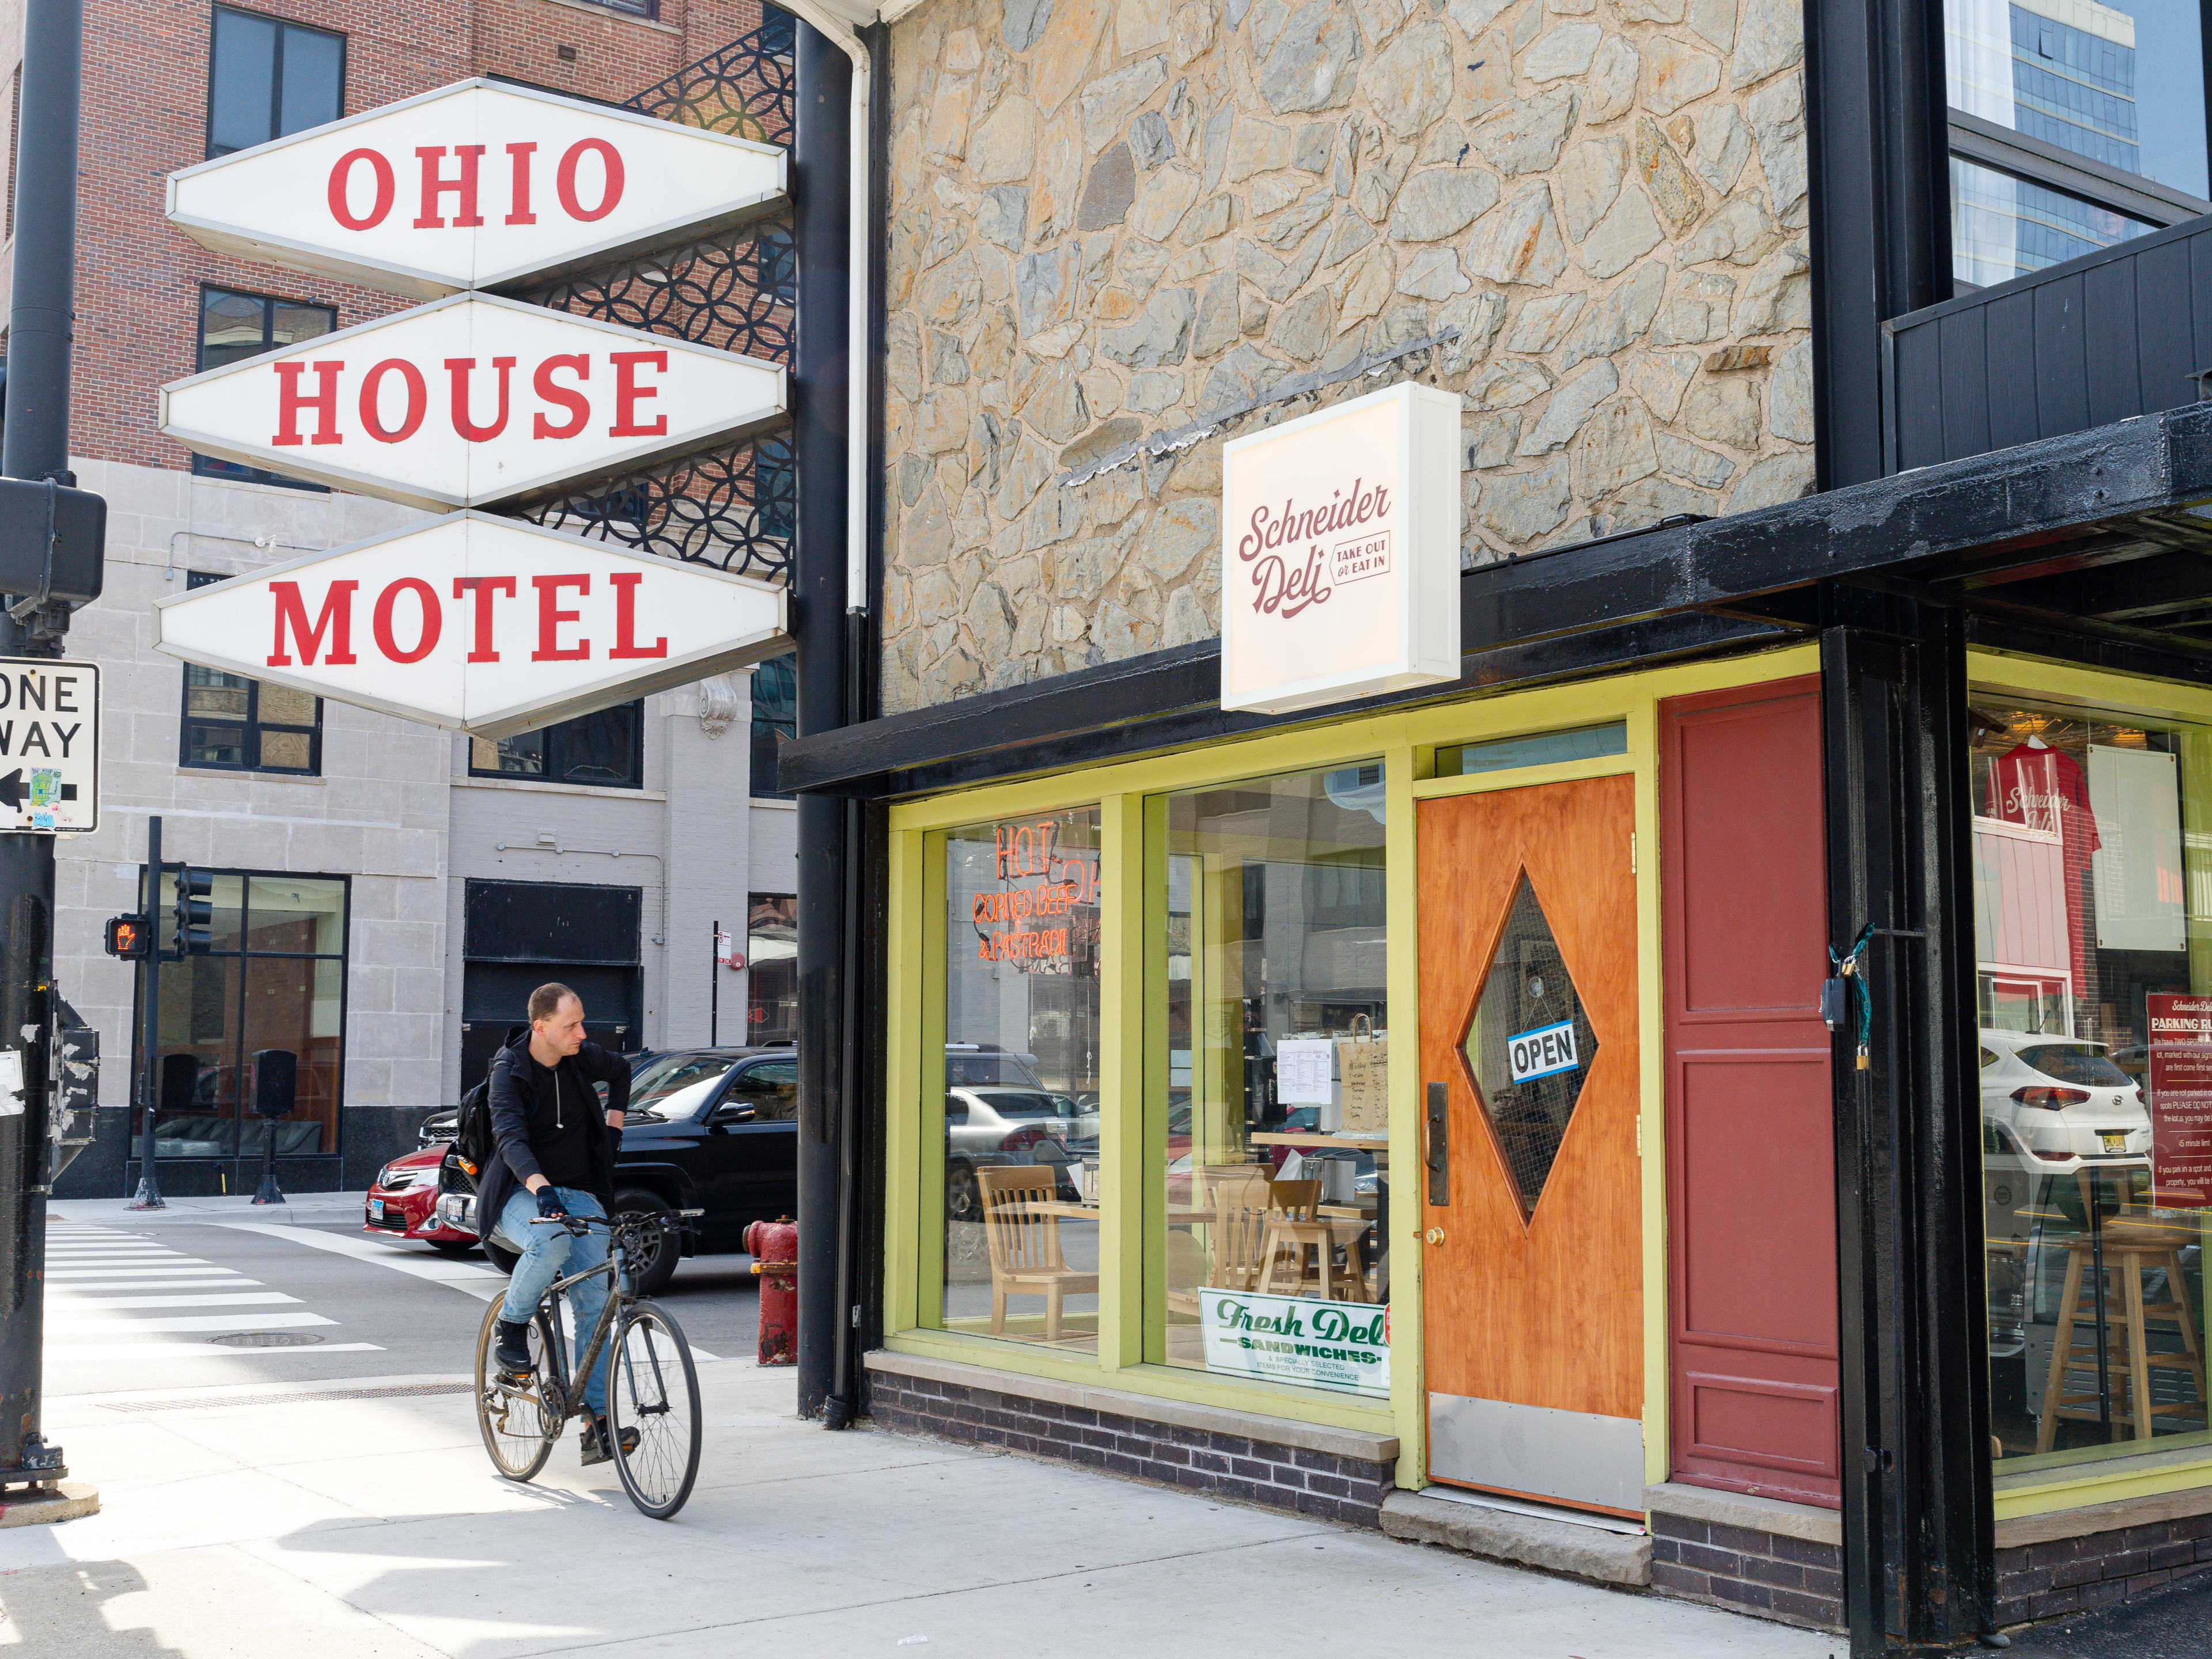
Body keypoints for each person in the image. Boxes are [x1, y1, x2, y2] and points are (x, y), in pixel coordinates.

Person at [480, 982, 636, 1465]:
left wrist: (613, 1131)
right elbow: (509, 1137)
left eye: (582, 1022)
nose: (582, 1033)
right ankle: (511, 1329)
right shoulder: (509, 1072)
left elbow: (622, 1071)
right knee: (549, 1240)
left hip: (580, 1192)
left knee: (598, 1300)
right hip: (520, 1194)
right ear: (540, 1026)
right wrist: (541, 1189)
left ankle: (595, 1422)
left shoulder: (579, 1056)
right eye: (571, 1025)